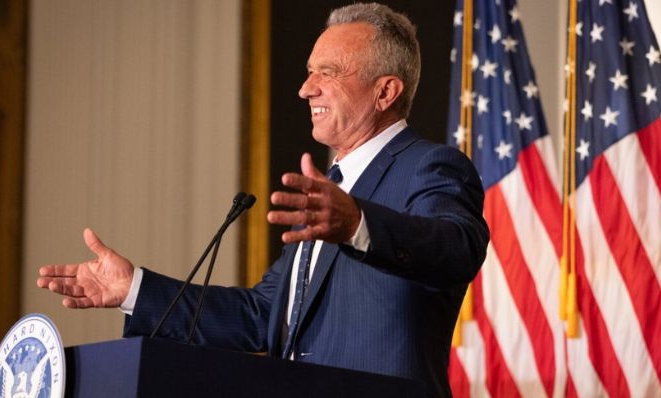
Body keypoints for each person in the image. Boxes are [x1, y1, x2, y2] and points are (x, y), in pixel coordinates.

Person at [37, 3, 489, 397]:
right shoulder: (330, 191)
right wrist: (134, 289)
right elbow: (261, 316)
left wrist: (357, 224)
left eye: (327, 73)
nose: (305, 88)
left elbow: (455, 248)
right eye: (309, 71)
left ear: (385, 91)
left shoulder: (431, 166)